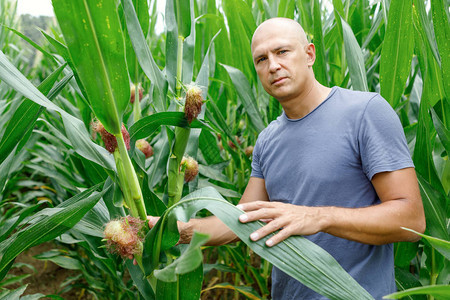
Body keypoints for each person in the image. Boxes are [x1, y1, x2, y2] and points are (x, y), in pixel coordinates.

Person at [147, 17, 426, 299]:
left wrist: (318, 217)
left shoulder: (365, 112)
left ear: (310, 54)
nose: (273, 66)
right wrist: (177, 231)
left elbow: (412, 220)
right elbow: (240, 221)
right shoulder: (268, 140)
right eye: (261, 59)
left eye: (282, 52)